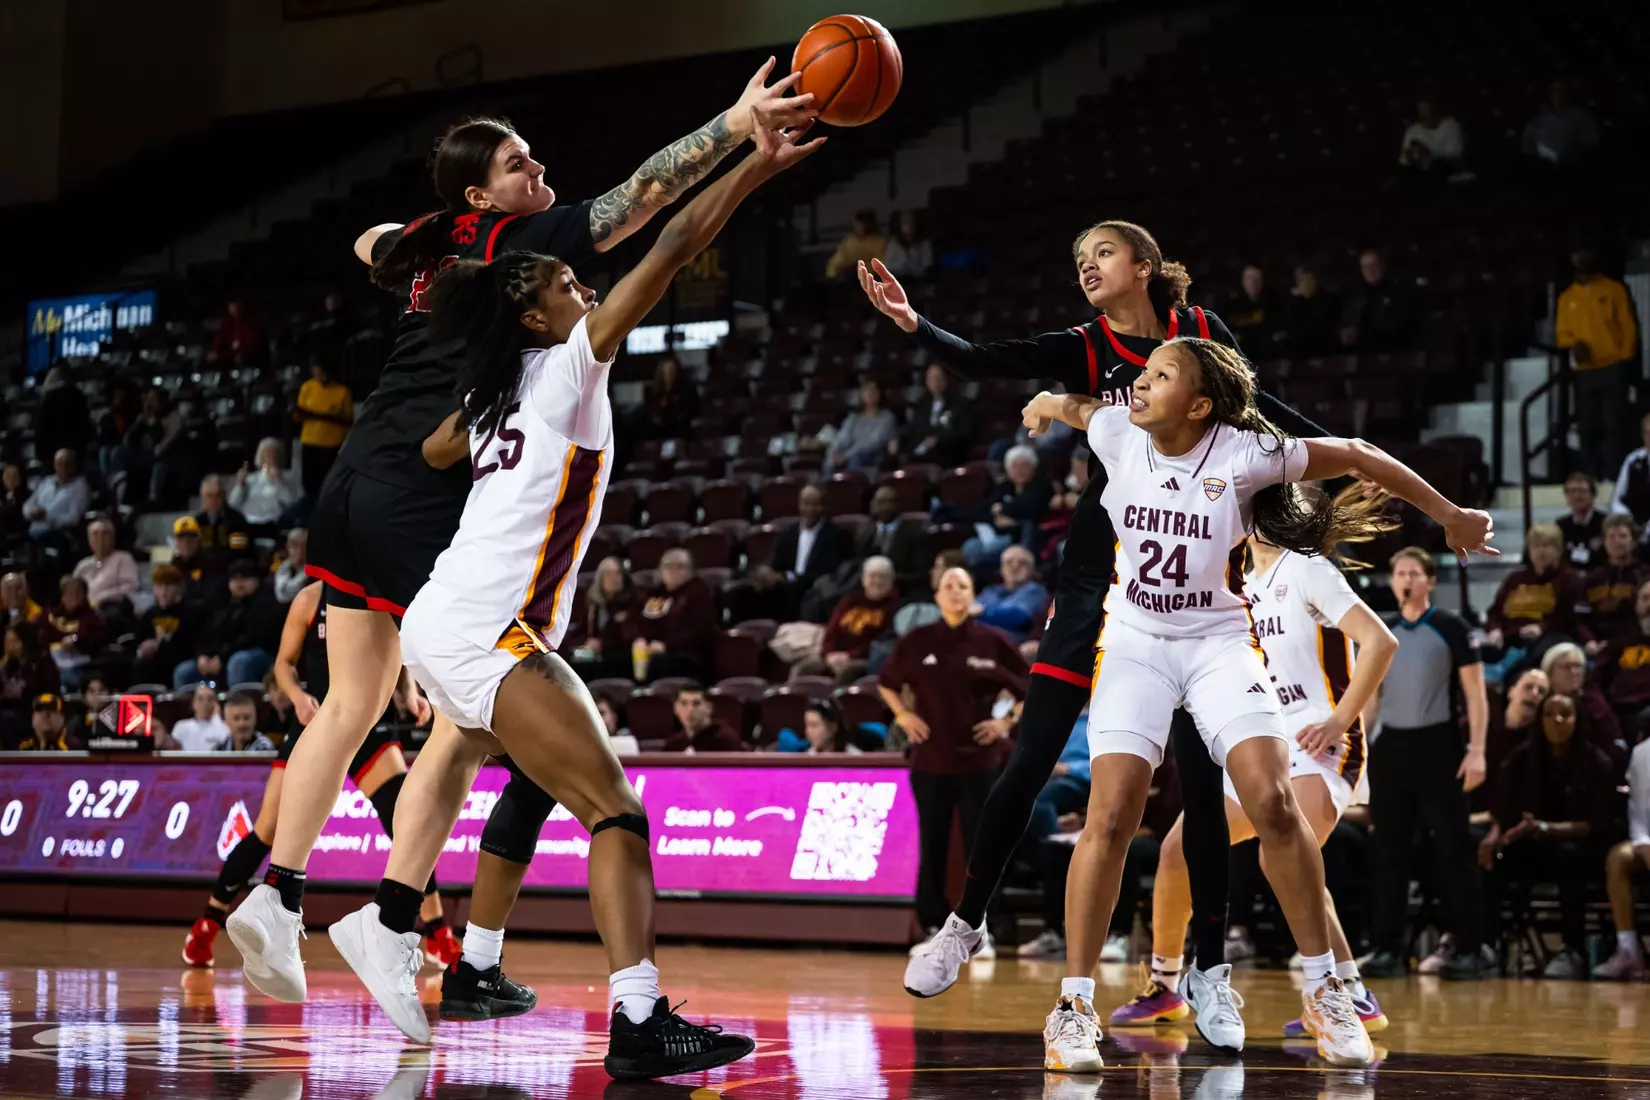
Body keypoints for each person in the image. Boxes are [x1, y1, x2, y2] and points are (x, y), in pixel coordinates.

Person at [298, 97, 817, 1078]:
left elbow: (437, 448)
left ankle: (401, 921)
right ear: (537, 315)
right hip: (489, 628)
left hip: (446, 620)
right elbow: (674, 242)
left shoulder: (487, 388)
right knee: (615, 811)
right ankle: (637, 1018)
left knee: (472, 750)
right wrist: (755, 163)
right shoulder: (569, 365)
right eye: (571, 284)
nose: (588, 288)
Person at [860, 220, 1332, 1022]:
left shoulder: (1199, 334)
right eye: (1079, 258)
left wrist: (1336, 457)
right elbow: (987, 360)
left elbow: (1261, 412)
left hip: (1190, 579)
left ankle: (1208, 971)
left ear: (1144, 265)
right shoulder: (1085, 346)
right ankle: (964, 923)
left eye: (1102, 253)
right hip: (1097, 570)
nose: (1086, 265)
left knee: (1201, 785)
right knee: (1031, 755)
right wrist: (915, 323)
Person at [1017, 335, 1492, 1070]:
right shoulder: (1117, 431)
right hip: (1137, 643)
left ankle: (1329, 991)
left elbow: (1360, 453)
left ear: (1199, 405)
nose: (1139, 383)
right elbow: (1079, 408)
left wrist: (1450, 513)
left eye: (1160, 375)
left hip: (1217, 643)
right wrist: (1047, 403)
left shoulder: (1245, 454)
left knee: (1273, 802)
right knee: (1110, 814)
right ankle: (1073, 1009)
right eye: (1143, 373)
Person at [1112, 536, 1397, 1043]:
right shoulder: (1235, 583)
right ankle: (1165, 984)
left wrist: (1338, 720)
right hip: (1263, 744)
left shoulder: (1308, 569)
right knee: (1180, 850)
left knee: (1280, 853)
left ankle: (1341, 991)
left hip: (1320, 741)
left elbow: (1380, 642)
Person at [184, 580, 456, 970]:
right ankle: (208, 923)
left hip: (368, 722)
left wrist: (409, 691)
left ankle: (438, 932)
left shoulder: (379, 587)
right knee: (268, 829)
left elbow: (396, 649)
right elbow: (283, 664)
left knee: (408, 822)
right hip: (318, 722)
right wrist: (297, 697)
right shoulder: (310, 599)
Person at [879, 566, 1027, 960]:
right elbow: (887, 683)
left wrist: (1004, 722)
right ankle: (932, 926)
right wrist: (903, 716)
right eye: (948, 585)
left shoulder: (993, 641)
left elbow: (1028, 687)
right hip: (931, 760)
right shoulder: (918, 640)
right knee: (934, 842)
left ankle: (982, 927)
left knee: (984, 845)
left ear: (973, 594)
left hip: (980, 761)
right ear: (937, 595)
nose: (955, 591)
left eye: (963, 585)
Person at [1361, 547, 1491, 980]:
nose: (1407, 580)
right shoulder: (1382, 631)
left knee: (1453, 849)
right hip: (1391, 749)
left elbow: (1475, 694)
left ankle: (1470, 947)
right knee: (1388, 853)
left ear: (1430, 580)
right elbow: (1370, 700)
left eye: (1415, 573)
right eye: (1400, 573)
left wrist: (1477, 749)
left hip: (1439, 746)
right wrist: (1359, 748)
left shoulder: (1451, 628)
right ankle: (1386, 949)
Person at [1481, 692, 1618, 978]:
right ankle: (1485, 943)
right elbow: (1502, 810)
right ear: (1540, 721)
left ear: (1577, 720)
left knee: (1570, 856)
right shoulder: (1521, 759)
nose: (1557, 720)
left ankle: (1572, 949)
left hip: (1582, 850)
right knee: (1496, 856)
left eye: (1565, 714)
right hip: (1535, 846)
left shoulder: (1597, 762)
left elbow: (1598, 824)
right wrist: (1494, 835)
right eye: (1549, 714)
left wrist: (1545, 828)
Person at [1558, 248, 1639, 479]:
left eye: (1585, 253)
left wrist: (1624, 358)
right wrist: (1574, 344)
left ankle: (1614, 475)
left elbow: (1627, 326)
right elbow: (1562, 333)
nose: (1581, 258)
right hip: (1585, 371)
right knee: (1587, 426)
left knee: (1614, 423)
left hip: (1612, 366)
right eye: (1576, 254)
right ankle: (1590, 475)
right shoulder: (1567, 297)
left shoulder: (1613, 289)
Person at [1595, 729, 1649, 979]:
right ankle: (1628, 950)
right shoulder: (1643, 752)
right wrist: (1644, 844)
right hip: (1648, 840)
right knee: (1618, 858)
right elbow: (1638, 810)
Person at [179, 560, 284, 690]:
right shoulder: (224, 603)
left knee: (239, 662)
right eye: (234, 579)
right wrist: (202, 656)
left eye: (245, 578)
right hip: (223, 655)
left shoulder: (265, 602)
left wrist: (222, 658)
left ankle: (239, 701)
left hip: (261, 653)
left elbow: (252, 638)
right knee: (184, 672)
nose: (239, 584)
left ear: (256, 580)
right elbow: (208, 633)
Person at [1482, 523, 1584, 654]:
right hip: (1509, 638)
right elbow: (1494, 612)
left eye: (1547, 546)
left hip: (1548, 639)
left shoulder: (1568, 579)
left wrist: (1542, 627)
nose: (1541, 551)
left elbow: (1567, 617)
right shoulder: (1515, 579)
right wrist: (1494, 629)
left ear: (1559, 550)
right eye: (1536, 546)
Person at [798, 556, 899, 683]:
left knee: (846, 672)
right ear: (863, 579)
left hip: (864, 659)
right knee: (803, 668)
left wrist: (850, 655)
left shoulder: (895, 607)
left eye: (883, 577)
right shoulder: (849, 601)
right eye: (873, 576)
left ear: (891, 581)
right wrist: (829, 653)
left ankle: (837, 697)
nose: (877, 582)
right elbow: (832, 630)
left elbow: (880, 643)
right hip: (834, 655)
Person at [955, 445, 1054, 567]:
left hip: (1018, 538)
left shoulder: (1041, 487)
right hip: (996, 534)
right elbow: (983, 510)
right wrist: (995, 518)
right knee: (970, 546)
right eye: (1015, 466)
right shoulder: (1004, 487)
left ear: (1033, 468)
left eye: (1024, 466)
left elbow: (1032, 508)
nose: (1020, 471)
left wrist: (1003, 509)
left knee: (980, 554)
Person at [1541, 641, 1627, 770]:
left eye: (1578, 666)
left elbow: (1613, 741)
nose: (1574, 672)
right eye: (1566, 667)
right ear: (1549, 673)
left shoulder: (1594, 701)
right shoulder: (1540, 702)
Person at [636, 549, 718, 681]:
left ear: (690, 570)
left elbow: (699, 630)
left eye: (680, 567)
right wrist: (642, 640)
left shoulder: (698, 592)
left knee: (656, 664)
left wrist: (666, 645)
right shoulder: (656, 594)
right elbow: (643, 621)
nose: (673, 571)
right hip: (654, 651)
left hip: (688, 656)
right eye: (668, 566)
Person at [1582, 515, 1648, 650]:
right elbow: (1581, 617)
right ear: (1604, 541)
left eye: (1623, 536)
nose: (1616, 542)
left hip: (1635, 643)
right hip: (1595, 645)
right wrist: (1589, 640)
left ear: (1633, 541)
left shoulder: (1645, 575)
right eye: (1611, 537)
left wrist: (1612, 645)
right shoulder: (1593, 578)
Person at [1596, 580, 1650, 740]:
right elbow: (1596, 679)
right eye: (1645, 598)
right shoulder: (1620, 641)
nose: (1649, 605)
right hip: (1619, 712)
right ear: (1636, 605)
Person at [295, 356, 355, 498]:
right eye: (316, 372)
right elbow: (298, 416)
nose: (319, 376)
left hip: (331, 446)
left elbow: (348, 420)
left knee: (330, 485)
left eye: (322, 373)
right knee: (309, 485)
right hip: (310, 443)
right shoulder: (307, 387)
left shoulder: (342, 391)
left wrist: (324, 416)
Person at [894, 363, 974, 468]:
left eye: (939, 378)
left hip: (947, 455)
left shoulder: (960, 404)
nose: (935, 382)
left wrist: (938, 440)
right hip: (920, 454)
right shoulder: (922, 404)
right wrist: (898, 440)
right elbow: (914, 430)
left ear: (946, 379)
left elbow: (965, 434)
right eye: (931, 378)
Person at [39, 575, 108, 691]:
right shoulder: (50, 616)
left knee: (66, 678)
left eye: (78, 593)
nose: (74, 597)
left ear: (84, 596)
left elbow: (99, 640)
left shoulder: (93, 617)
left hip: (81, 666)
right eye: (69, 593)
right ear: (62, 596)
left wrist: (76, 640)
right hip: (53, 663)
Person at [858, 485, 931, 594]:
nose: (886, 507)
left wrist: (885, 580)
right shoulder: (864, 532)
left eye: (891, 502)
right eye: (881, 502)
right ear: (872, 505)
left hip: (902, 592)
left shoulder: (916, 534)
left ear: (899, 505)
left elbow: (919, 575)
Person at [118, 386, 184, 505]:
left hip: (169, 456)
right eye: (149, 399)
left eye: (154, 399)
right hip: (146, 455)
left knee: (160, 462)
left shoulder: (173, 417)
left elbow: (166, 444)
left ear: (162, 400)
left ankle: (153, 499)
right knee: (120, 453)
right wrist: (143, 420)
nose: (150, 403)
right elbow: (127, 439)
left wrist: (153, 424)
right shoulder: (143, 417)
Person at [1338, 249, 1412, 353]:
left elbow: (1397, 327)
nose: (1370, 271)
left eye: (1374, 266)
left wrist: (1361, 334)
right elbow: (1345, 320)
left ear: (1383, 267)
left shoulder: (1397, 293)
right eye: (1365, 267)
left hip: (1390, 351)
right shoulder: (1356, 295)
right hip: (1358, 352)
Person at [974, 545, 1050, 643]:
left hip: (1010, 644)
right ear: (1001, 569)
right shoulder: (989, 591)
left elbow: (1017, 618)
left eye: (1022, 563)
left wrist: (981, 612)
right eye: (1009, 562)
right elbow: (968, 613)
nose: (1015, 566)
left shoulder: (1036, 590)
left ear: (1032, 570)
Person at [824, 378, 899, 474]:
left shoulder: (887, 418)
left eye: (874, 390)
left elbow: (873, 443)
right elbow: (842, 437)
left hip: (871, 456)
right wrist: (832, 452)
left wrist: (845, 456)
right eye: (866, 390)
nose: (870, 393)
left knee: (856, 459)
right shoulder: (854, 418)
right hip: (848, 454)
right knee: (829, 462)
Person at [1522, 78, 1599, 166]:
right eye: (1555, 91)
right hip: (1541, 167)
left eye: (1562, 91)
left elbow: (1591, 144)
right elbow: (1527, 145)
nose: (1559, 95)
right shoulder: (1538, 117)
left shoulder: (1580, 116)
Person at [72, 516, 139, 611]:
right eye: (95, 534)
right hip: (84, 610)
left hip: (111, 608)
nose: (100, 539)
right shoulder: (83, 564)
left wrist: (101, 598)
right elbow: (73, 588)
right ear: (89, 540)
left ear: (113, 538)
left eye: (105, 534)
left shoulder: (123, 558)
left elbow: (130, 588)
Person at [232, 438, 303, 527]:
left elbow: (295, 505)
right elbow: (233, 504)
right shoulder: (251, 479)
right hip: (250, 521)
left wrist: (279, 483)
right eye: (267, 453)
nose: (271, 456)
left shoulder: (289, 478)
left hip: (276, 523)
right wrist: (240, 486)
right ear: (260, 456)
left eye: (275, 453)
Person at [23, 449, 90, 543]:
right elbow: (29, 503)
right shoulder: (46, 482)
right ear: (55, 465)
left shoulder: (80, 486)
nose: (64, 468)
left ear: (74, 466)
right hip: (35, 528)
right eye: (60, 464)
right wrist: (31, 513)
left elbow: (74, 517)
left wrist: (47, 517)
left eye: (67, 464)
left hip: (58, 532)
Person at [34, 365, 93, 467]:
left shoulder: (47, 401)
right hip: (76, 450)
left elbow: (41, 430)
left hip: (52, 454)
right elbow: (85, 424)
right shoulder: (78, 396)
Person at [663, 682, 747, 752]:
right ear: (675, 708)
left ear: (709, 708)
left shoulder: (725, 740)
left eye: (696, 704)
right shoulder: (673, 743)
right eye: (684, 703)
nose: (690, 709)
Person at [1280, 263, 1341, 358]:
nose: (1305, 283)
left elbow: (1327, 326)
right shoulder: (1291, 302)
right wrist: (1300, 300)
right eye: (1301, 280)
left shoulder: (1328, 299)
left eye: (1308, 279)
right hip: (1298, 350)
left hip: (1323, 348)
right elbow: (1289, 327)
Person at [635, 355, 699, 441]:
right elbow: (650, 413)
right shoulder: (652, 392)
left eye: (672, 370)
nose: (669, 373)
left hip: (678, 430)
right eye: (667, 370)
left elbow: (689, 413)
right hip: (656, 431)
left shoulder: (687, 391)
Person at [194, 475, 251, 569]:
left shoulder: (236, 520)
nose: (214, 500)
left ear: (224, 496)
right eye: (209, 496)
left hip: (231, 570)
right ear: (202, 498)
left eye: (218, 495)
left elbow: (239, 553)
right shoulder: (198, 521)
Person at [1398, 96, 1465, 175]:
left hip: (1447, 171)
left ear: (1435, 108)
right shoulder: (1413, 130)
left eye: (1426, 109)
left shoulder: (1450, 126)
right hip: (1416, 172)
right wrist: (1410, 156)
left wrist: (1428, 153)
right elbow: (1404, 159)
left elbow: (1453, 154)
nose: (1423, 113)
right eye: (1420, 109)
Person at [1222, 264, 1280, 353]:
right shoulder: (1230, 303)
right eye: (1249, 278)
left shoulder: (1273, 302)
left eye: (1257, 279)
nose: (1253, 283)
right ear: (1243, 281)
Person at [1557, 471, 1606, 572]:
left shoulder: (1606, 523)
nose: (1577, 496)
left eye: (1582, 491)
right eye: (1572, 492)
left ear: (1593, 496)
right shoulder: (1560, 526)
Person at [825, 208, 887, 280]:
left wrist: (860, 267)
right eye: (856, 223)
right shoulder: (849, 240)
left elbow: (879, 264)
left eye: (861, 224)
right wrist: (832, 276)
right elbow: (836, 261)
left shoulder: (879, 242)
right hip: (845, 277)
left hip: (868, 278)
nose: (856, 226)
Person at [172, 683, 232, 752]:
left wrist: (217, 718)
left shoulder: (223, 727)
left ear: (216, 703)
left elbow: (227, 748)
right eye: (200, 699)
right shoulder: (181, 726)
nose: (205, 703)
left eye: (210, 699)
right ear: (193, 703)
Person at [207, 299, 265, 365]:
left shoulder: (250, 322)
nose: (234, 308)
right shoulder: (226, 321)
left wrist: (241, 353)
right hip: (229, 355)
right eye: (231, 305)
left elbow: (251, 344)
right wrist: (215, 351)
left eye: (236, 305)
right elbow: (219, 339)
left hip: (246, 356)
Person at [881, 210, 931, 277]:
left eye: (911, 222)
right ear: (900, 225)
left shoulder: (924, 244)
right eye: (905, 222)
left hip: (918, 279)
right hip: (897, 278)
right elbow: (886, 265)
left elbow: (927, 266)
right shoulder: (893, 244)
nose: (909, 225)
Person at [272, 529, 310, 605]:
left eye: (304, 546)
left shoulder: (316, 576)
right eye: (295, 545)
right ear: (287, 546)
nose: (299, 551)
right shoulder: (277, 568)